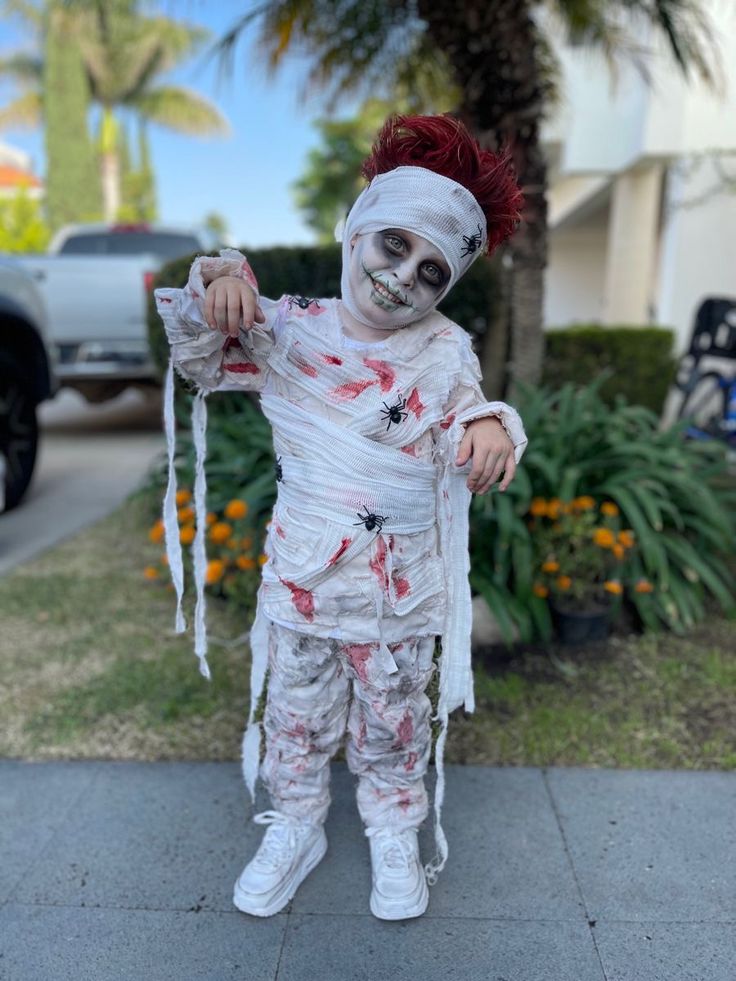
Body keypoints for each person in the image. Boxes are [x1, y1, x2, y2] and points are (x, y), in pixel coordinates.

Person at [155, 113, 528, 921]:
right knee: (295, 711)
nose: (403, 278)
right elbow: (200, 356)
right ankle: (294, 822)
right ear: (355, 229)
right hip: (304, 581)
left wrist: (491, 426)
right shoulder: (284, 328)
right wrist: (216, 284)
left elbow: (471, 409)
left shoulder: (444, 347)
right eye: (394, 245)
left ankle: (394, 832)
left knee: (395, 720)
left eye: (432, 271)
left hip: (400, 594)